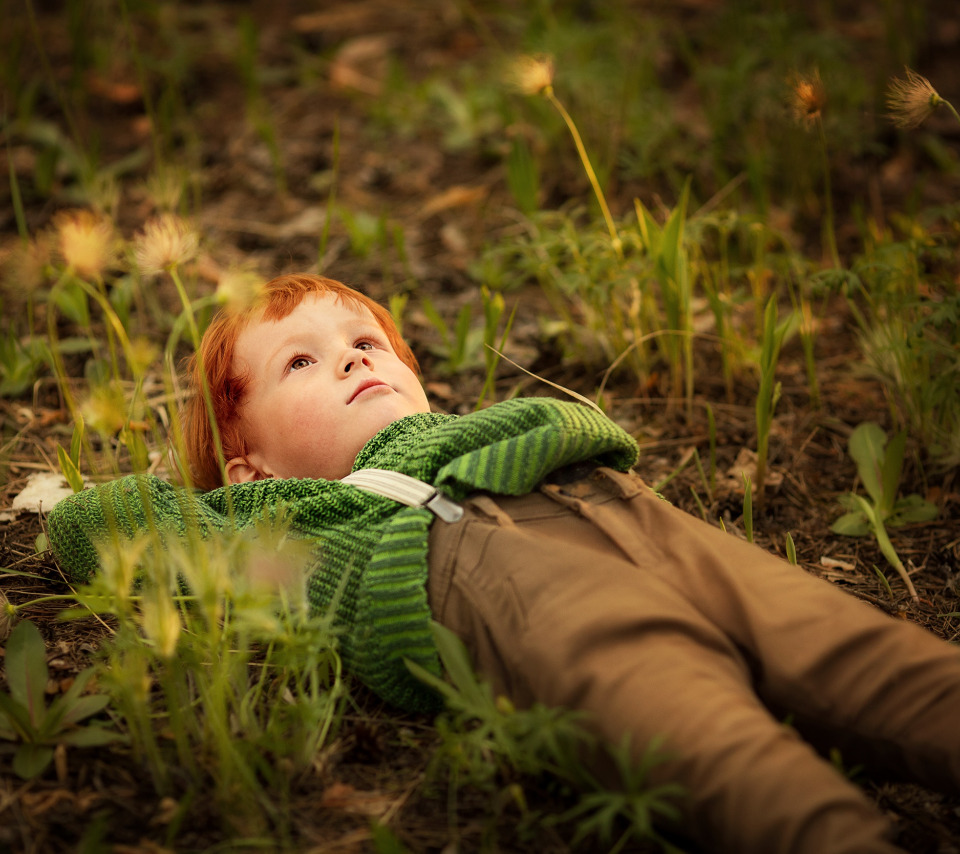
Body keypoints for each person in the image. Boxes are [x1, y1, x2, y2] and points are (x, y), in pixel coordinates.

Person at [48, 273, 960, 854]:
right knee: (714, 747)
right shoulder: (277, 522)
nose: (353, 360)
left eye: (367, 343)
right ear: (253, 463)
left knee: (865, 655)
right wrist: (180, 495)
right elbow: (107, 525)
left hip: (630, 513)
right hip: (502, 585)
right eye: (301, 362)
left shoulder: (478, 425)